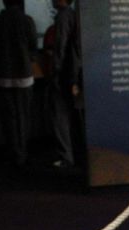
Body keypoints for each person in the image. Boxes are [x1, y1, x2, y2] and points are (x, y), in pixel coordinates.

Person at [0, 0, 38, 167]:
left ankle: (13, 152)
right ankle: (22, 152)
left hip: (2, 76)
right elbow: (33, 46)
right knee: (23, 116)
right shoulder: (27, 21)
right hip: (24, 76)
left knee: (8, 117)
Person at [49, 0, 82, 168]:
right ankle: (74, 154)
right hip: (73, 73)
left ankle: (66, 156)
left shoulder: (63, 16)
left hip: (64, 74)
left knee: (60, 114)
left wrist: (55, 70)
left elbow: (60, 46)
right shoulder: (74, 15)